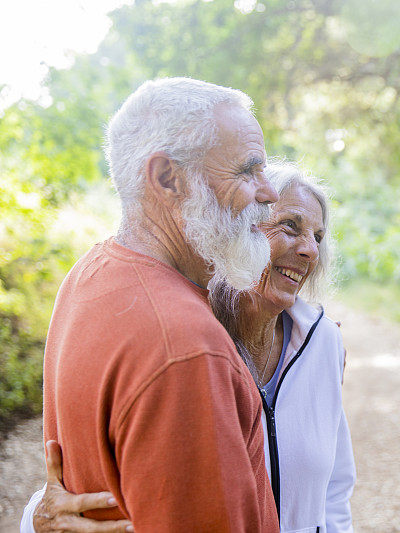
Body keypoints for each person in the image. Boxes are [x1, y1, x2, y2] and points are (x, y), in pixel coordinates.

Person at [23, 164, 356, 532]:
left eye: (318, 236)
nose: (310, 249)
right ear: (242, 228)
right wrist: (34, 518)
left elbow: (335, 489)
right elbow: (89, 471)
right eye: (291, 225)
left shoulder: (323, 343)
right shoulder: (183, 341)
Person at [30, 77, 281, 532]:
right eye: (247, 171)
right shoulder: (185, 348)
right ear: (168, 177)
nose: (269, 193)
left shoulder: (90, 273)